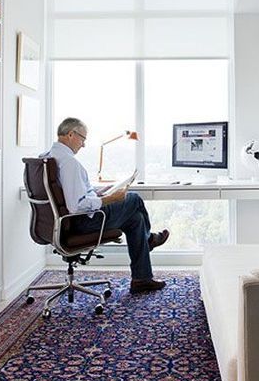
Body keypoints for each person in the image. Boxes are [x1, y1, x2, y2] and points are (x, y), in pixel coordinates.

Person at [41, 117, 169, 293]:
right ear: (71, 134)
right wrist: (109, 198)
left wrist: (98, 192)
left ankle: (142, 279)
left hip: (62, 223)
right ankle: (149, 240)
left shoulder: (48, 157)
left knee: (136, 219)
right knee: (134, 198)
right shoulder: (69, 162)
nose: (84, 144)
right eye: (83, 139)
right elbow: (76, 206)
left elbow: (71, 194)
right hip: (83, 222)